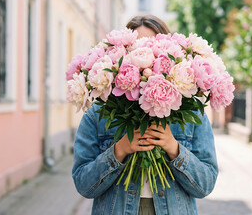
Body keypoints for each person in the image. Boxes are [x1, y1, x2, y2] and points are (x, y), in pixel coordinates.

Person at [72, 15, 218, 215]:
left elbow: (205, 185)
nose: (147, 59)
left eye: (154, 49)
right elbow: (83, 185)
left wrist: (173, 147)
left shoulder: (191, 113)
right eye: (138, 49)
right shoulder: (98, 113)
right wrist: (119, 150)